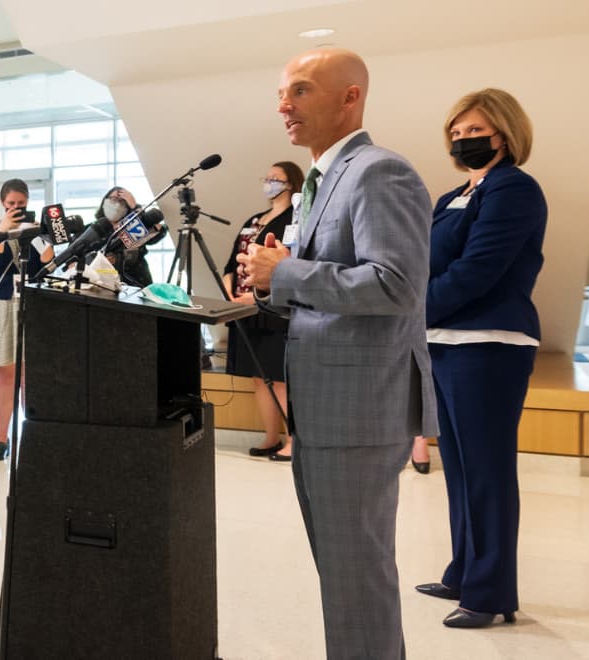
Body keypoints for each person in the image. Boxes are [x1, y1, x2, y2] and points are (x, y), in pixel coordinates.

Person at [237, 47, 437, 659]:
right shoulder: (323, 180)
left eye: (299, 90)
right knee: (344, 579)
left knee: (356, 579)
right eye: (281, 93)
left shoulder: (379, 171)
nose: (283, 105)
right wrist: (270, 283)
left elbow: (397, 285)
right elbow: (329, 285)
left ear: (350, 97)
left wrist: (289, 272)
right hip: (327, 408)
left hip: (357, 410)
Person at [414, 88, 547, 629]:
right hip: (447, 341)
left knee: (488, 470)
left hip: (491, 343)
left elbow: (478, 270)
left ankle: (491, 593)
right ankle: (464, 572)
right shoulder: (452, 197)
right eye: (458, 132)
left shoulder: (514, 189)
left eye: (477, 132)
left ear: (505, 134)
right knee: (461, 468)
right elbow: (424, 261)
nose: (465, 140)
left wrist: (412, 311)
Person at [221, 161, 303, 462]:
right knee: (258, 376)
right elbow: (232, 261)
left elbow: (288, 264)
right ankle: (270, 436)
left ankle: (293, 440)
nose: (268, 182)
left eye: (275, 178)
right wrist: (228, 286)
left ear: (291, 184)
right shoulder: (255, 219)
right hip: (242, 309)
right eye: (265, 177)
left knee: (279, 375)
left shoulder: (295, 220)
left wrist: (255, 298)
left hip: (273, 309)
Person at [0, 179, 53, 461]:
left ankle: (31, 432)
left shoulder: (36, 229)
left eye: (21, 205)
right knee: (5, 370)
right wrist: (2, 231)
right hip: (0, 302)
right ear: (2, 203)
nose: (16, 209)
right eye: (11, 204)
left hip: (32, 300)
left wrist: (36, 236)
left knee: (28, 372)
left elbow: (48, 261)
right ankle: (1, 437)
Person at [94, 187, 156, 287]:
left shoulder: (134, 228)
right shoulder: (94, 228)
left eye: (122, 201)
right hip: (101, 285)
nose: (117, 204)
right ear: (104, 202)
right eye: (113, 199)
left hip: (135, 285)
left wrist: (135, 208)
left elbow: (156, 235)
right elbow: (76, 253)